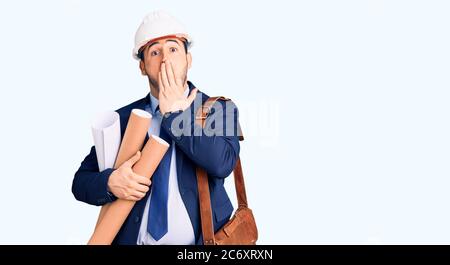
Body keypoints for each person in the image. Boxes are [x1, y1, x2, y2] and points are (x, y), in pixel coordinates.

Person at [72, 10, 241, 245]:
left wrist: (175, 115)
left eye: (173, 49)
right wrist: (110, 182)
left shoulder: (217, 109)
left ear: (188, 60)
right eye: (154, 51)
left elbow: (222, 163)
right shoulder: (124, 118)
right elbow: (80, 182)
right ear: (142, 66)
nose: (165, 58)